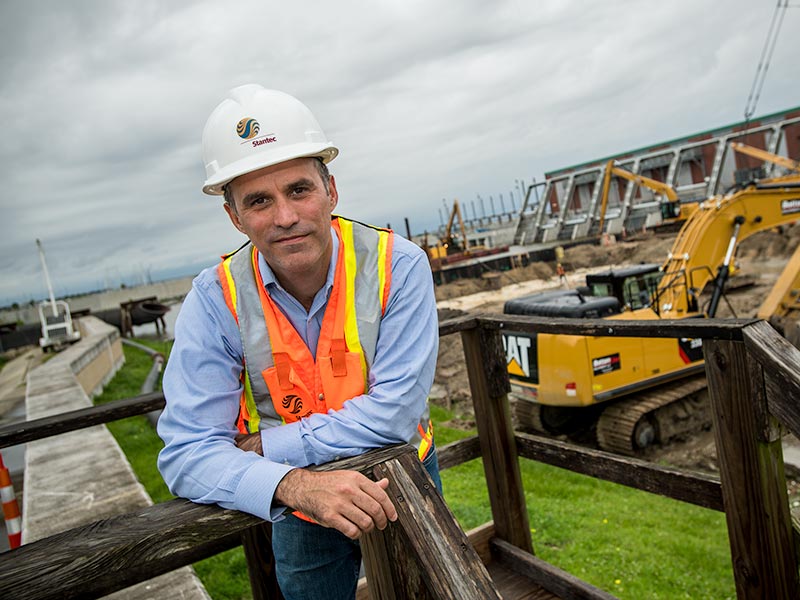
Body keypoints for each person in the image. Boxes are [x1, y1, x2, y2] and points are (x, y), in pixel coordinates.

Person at [157, 84, 440, 600]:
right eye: (259, 201)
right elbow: (185, 454)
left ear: (331, 189)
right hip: (297, 501)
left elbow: (395, 414)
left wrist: (267, 448)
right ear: (234, 216)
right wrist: (293, 484)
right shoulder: (215, 298)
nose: (285, 216)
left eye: (299, 190)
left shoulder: (396, 266)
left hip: (403, 474)